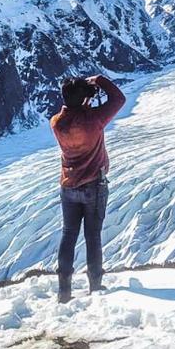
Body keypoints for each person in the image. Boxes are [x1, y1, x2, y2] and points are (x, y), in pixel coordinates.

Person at [50, 73, 126, 303]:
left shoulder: (56, 122)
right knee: (92, 236)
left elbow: (73, 112)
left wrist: (83, 98)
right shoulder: (94, 120)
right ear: (84, 100)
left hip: (68, 186)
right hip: (94, 185)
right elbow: (118, 99)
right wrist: (99, 80)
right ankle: (95, 286)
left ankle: (64, 290)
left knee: (68, 234)